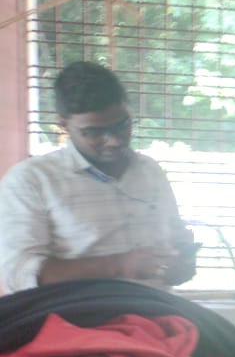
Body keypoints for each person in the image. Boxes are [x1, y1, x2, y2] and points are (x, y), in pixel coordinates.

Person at [0, 61, 196, 293]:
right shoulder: (31, 180)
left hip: (156, 308)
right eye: (94, 132)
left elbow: (175, 237)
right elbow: (19, 274)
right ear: (64, 124)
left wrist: (181, 264)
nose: (114, 141)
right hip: (78, 312)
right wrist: (120, 266)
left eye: (122, 125)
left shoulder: (150, 171)